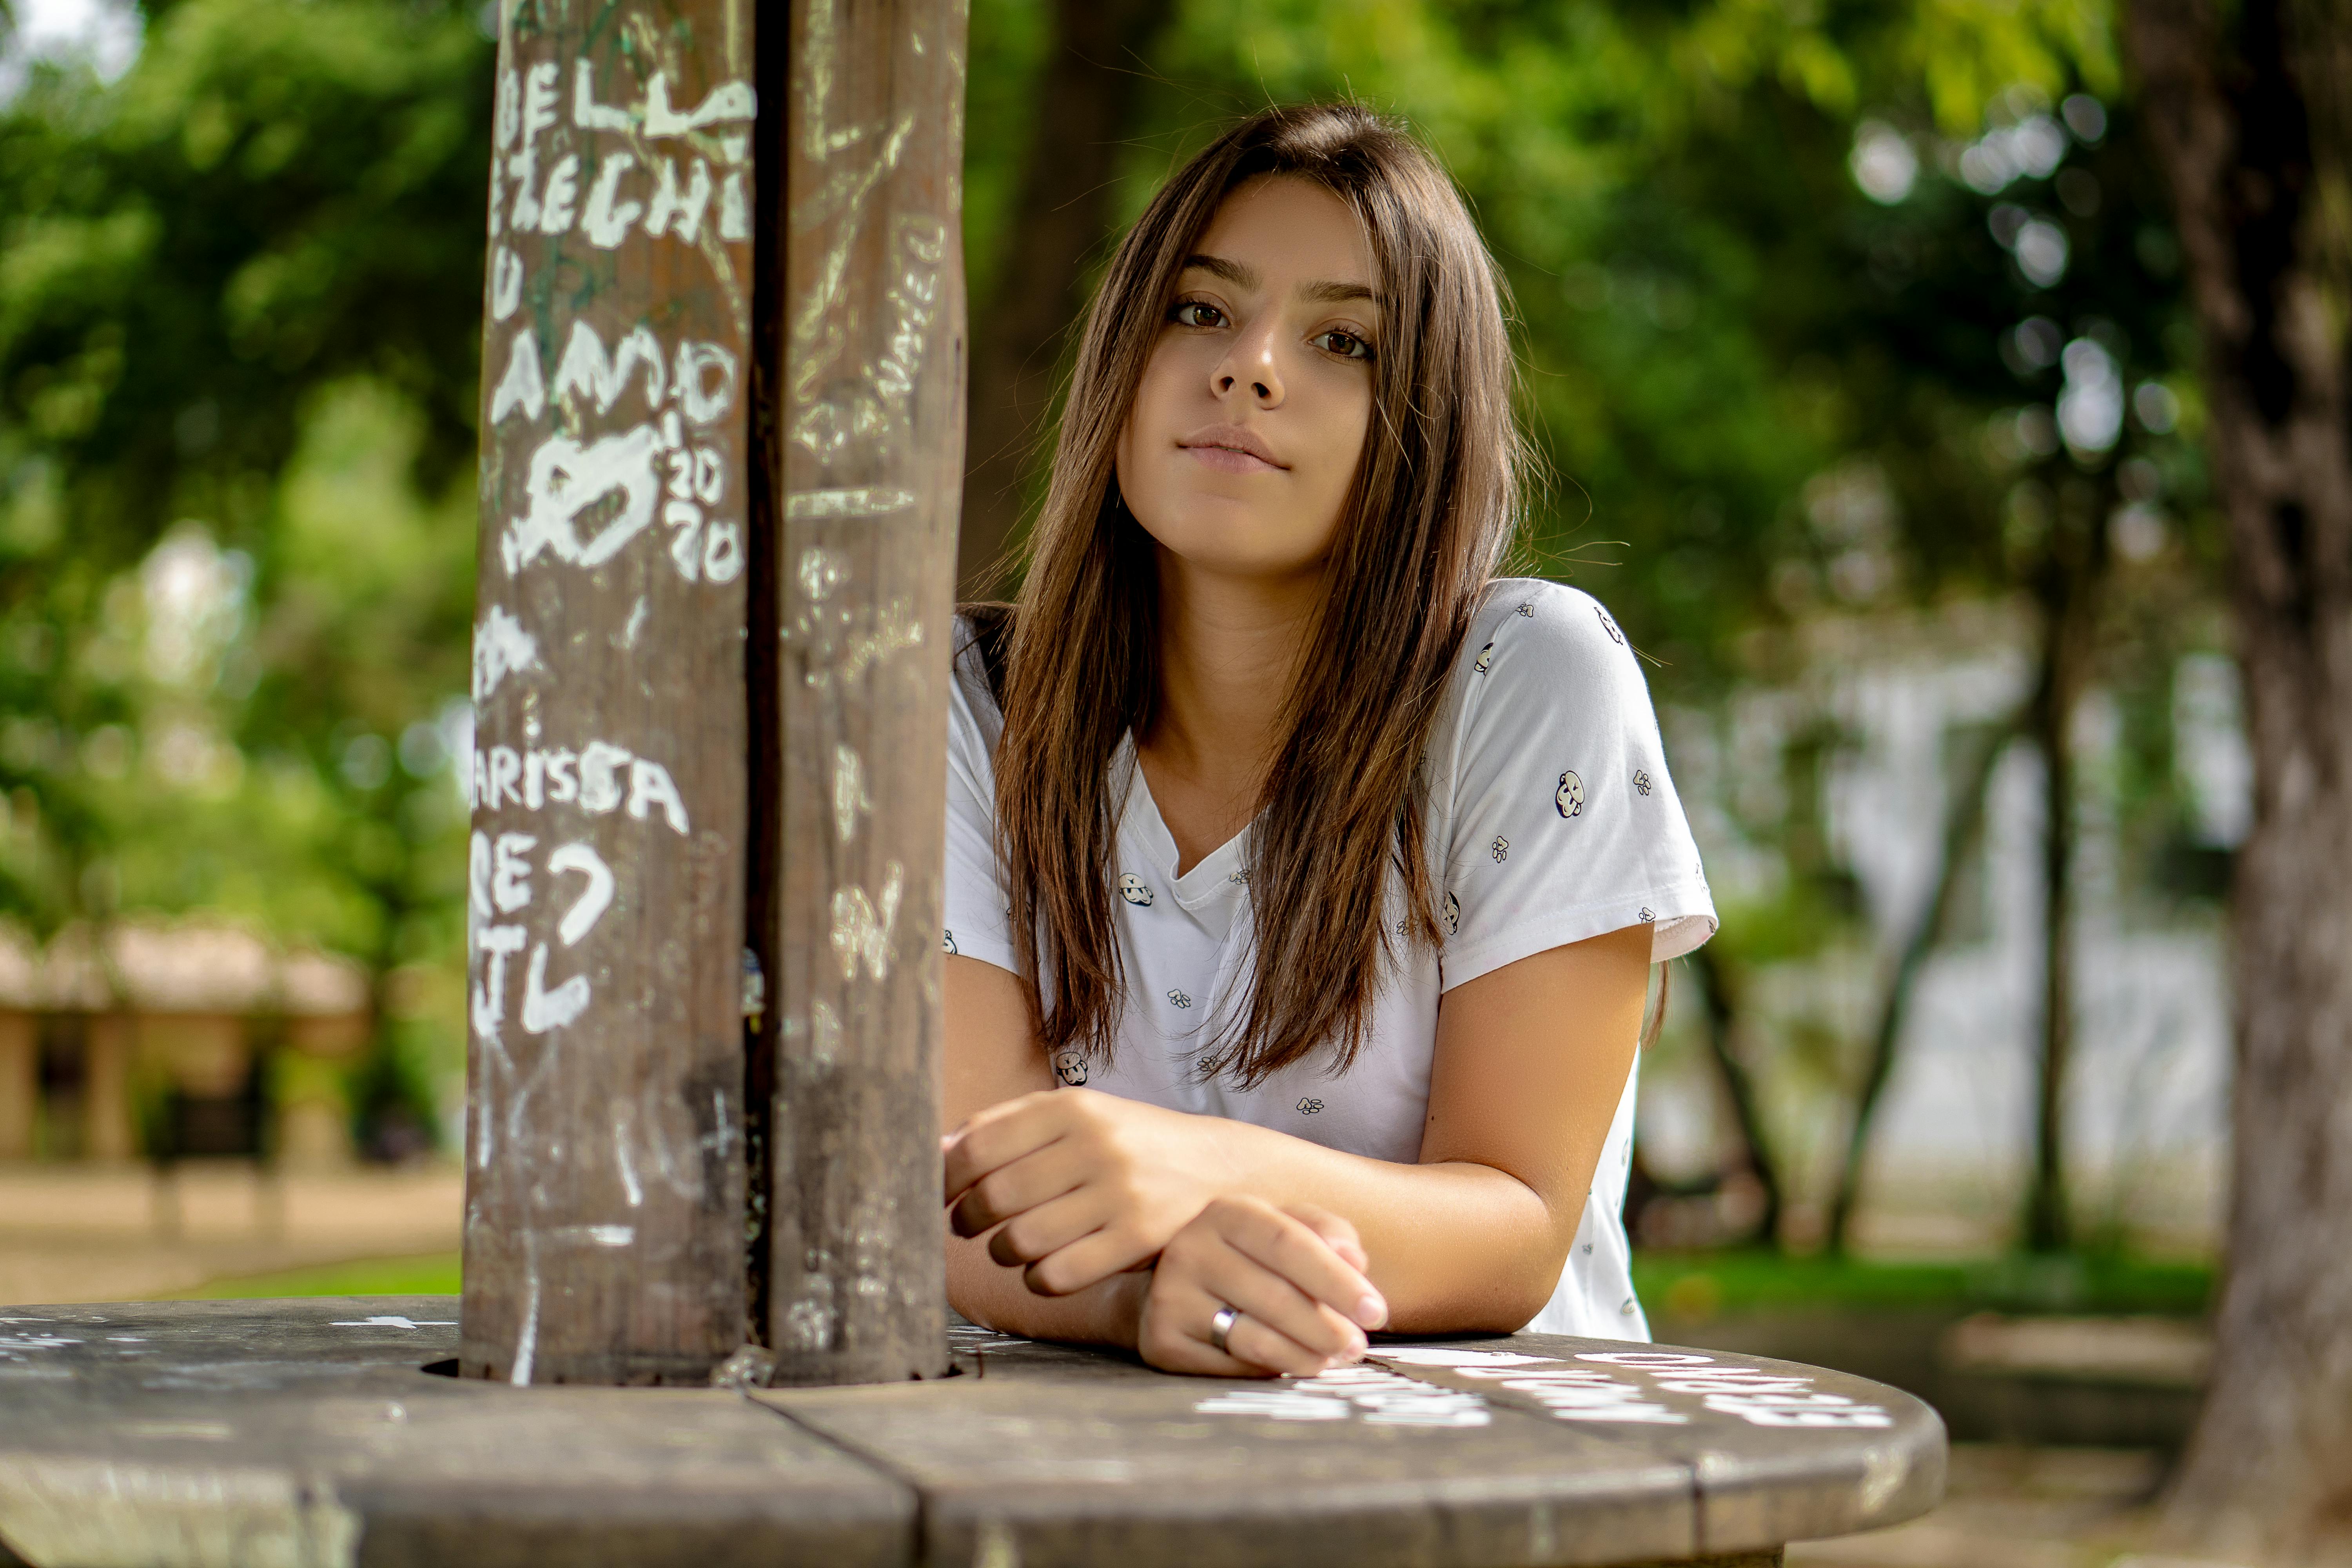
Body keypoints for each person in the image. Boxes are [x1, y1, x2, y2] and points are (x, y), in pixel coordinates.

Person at [939, 103, 1715, 1379]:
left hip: (1519, 1487)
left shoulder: (1533, 682)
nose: (1250, 366)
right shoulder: (967, 704)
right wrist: (1152, 1301)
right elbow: (970, 1192)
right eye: (1199, 311)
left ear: (1423, 419)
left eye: (1343, 340)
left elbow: (1517, 1224)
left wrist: (1197, 1173)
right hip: (1094, 1478)